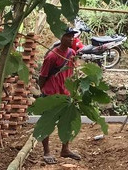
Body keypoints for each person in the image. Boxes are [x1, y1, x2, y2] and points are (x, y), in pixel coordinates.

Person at [38, 28, 81, 164]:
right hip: (51, 95)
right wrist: (44, 91)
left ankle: (65, 149)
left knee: (67, 122)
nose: (71, 39)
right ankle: (47, 152)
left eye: (72, 37)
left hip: (66, 94)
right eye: (68, 36)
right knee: (47, 122)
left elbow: (72, 73)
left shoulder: (72, 53)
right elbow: (42, 76)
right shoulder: (51, 56)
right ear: (61, 37)